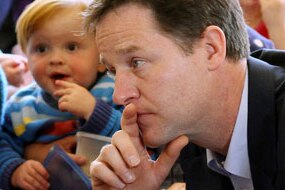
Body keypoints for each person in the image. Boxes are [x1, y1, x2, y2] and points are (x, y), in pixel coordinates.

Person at [84, 0, 285, 189]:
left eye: (137, 62)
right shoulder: (188, 136)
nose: (119, 96)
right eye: (112, 70)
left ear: (211, 49)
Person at [0, 0, 123, 189]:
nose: (55, 59)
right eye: (41, 49)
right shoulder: (20, 105)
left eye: (71, 47)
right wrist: (15, 169)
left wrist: (94, 111)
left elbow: (139, 141)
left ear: (101, 58)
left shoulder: (115, 91)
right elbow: (3, 145)